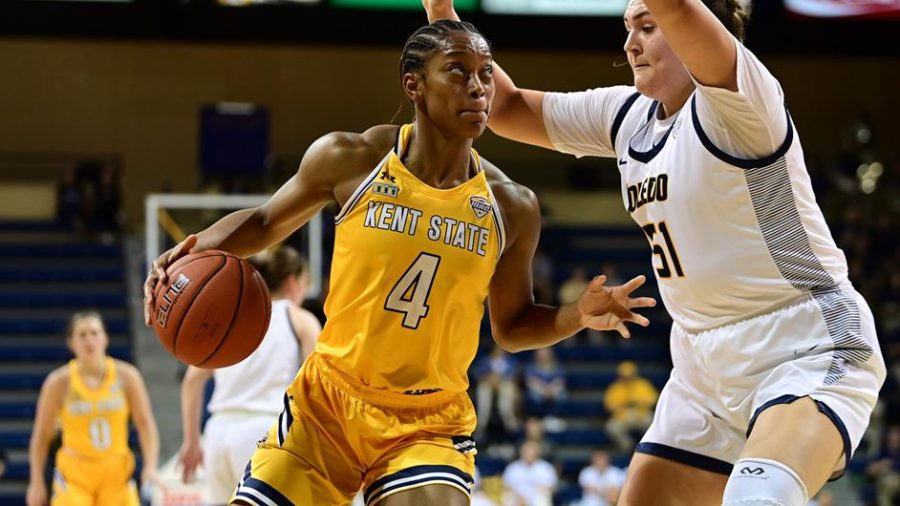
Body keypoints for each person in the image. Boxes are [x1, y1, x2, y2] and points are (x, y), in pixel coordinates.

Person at [144, 19, 655, 506]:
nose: (478, 87)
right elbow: (262, 223)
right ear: (414, 85)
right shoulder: (352, 159)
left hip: (427, 422)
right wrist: (190, 251)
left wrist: (575, 316)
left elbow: (513, 325)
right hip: (326, 404)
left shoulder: (511, 206)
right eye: (457, 71)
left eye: (485, 73)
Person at [421, 1, 887, 504]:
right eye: (628, 28)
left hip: (803, 341)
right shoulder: (626, 116)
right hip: (701, 366)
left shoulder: (740, 98)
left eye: (648, 26)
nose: (631, 43)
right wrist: (442, 10)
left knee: (759, 498)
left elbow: (681, 8)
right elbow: (505, 108)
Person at [177, 245, 321, 505]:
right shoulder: (300, 319)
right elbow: (316, 385)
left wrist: (191, 442)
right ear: (292, 282)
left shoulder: (232, 317)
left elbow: (192, 380)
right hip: (266, 430)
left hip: (218, 435)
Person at [26, 311, 162, 506]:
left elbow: (145, 425)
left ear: (105, 338)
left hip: (116, 473)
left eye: (94, 333)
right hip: (75, 475)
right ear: (71, 343)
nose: (89, 340)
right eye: (82, 335)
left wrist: (150, 466)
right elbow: (41, 435)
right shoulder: (58, 383)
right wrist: (36, 481)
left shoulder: (127, 377)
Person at [602, 360, 658, 452]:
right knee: (612, 428)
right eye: (625, 376)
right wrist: (623, 405)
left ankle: (648, 447)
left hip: (641, 414)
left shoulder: (643, 385)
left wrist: (638, 402)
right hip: (622, 416)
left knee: (653, 424)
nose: (628, 378)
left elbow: (653, 399)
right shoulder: (615, 387)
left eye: (630, 375)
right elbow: (609, 406)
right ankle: (629, 448)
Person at [475, 345, 522, 438]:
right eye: (497, 349)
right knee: (483, 389)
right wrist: (489, 378)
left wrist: (500, 380)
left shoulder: (510, 361)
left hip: (505, 384)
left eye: (501, 349)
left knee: (507, 389)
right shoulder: (486, 361)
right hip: (488, 384)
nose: (499, 351)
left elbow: (515, 376)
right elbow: (478, 375)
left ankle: (510, 423)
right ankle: (481, 424)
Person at [501, 441, 557, 506]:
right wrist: (519, 497)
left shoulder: (546, 467)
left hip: (536, 497)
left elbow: (551, 488)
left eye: (531, 451)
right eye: (526, 452)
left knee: (542, 498)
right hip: (517, 497)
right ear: (521, 452)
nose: (528, 454)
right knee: (508, 497)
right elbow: (506, 486)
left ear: (537, 453)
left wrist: (531, 497)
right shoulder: (512, 468)